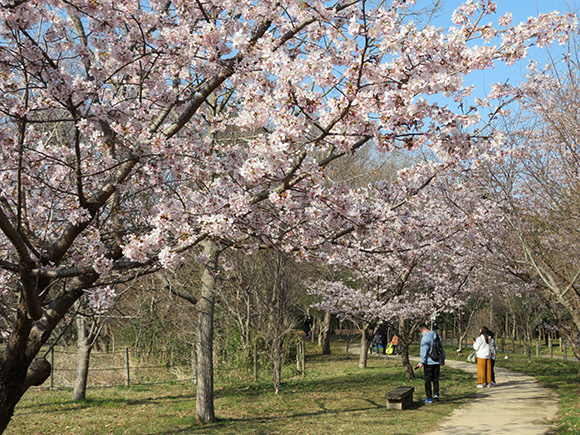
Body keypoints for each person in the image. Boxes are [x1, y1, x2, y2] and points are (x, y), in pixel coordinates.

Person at [416, 323, 445, 404]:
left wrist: (422, 362)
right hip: (437, 361)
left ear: (422, 329)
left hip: (429, 362)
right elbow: (441, 348)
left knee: (428, 380)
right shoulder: (437, 336)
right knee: (436, 379)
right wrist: (442, 359)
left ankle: (429, 397)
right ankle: (436, 394)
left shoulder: (425, 338)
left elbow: (424, 351)